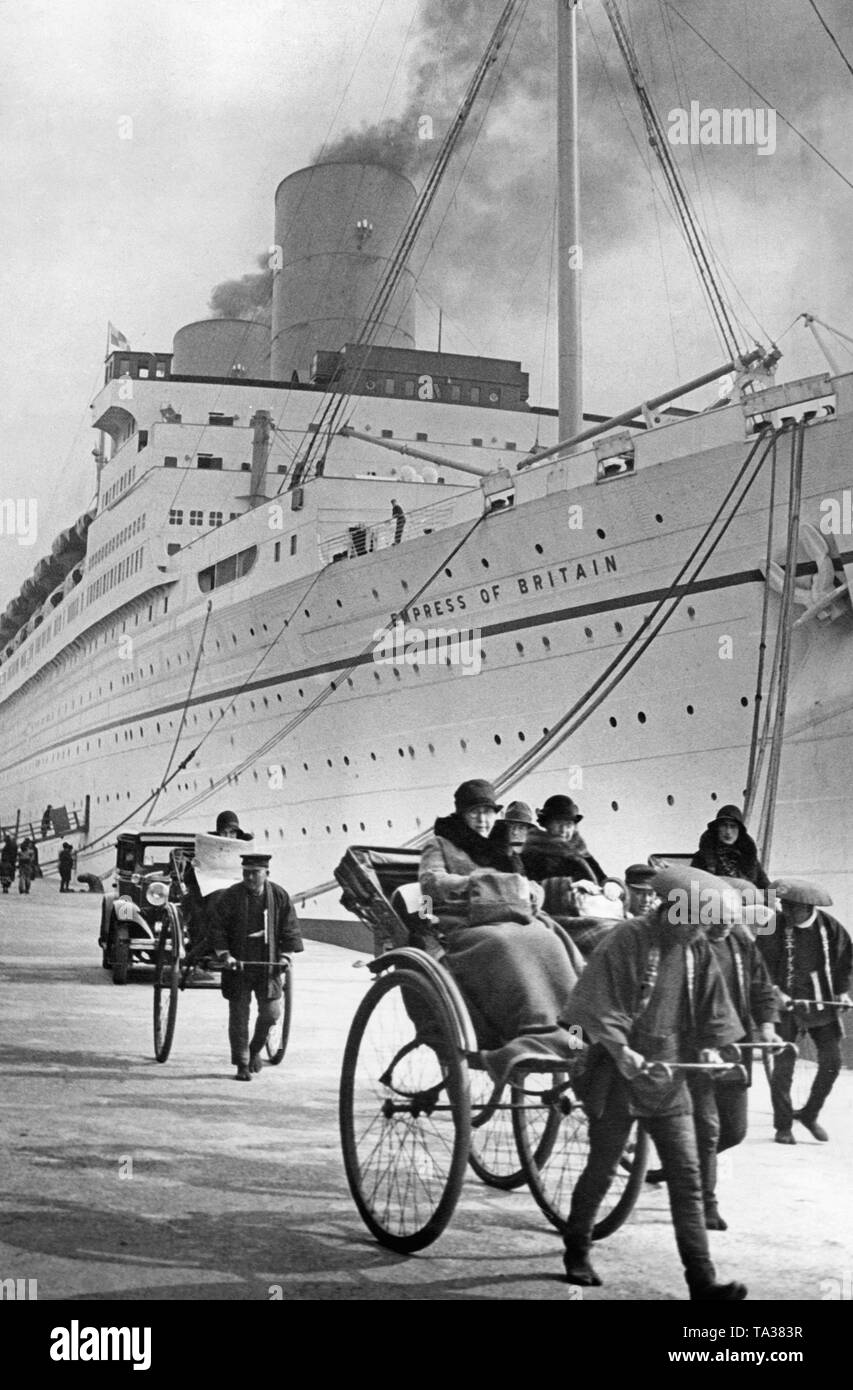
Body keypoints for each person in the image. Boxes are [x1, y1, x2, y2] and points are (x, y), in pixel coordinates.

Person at [561, 864, 747, 1301]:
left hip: (669, 1075)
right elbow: (592, 1005)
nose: (700, 929)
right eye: (696, 920)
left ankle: (702, 1282)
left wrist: (714, 1047)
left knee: (687, 1177)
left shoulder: (696, 950)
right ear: (673, 911)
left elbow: (711, 1011)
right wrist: (621, 1049)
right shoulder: (628, 938)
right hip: (618, 1071)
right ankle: (577, 1250)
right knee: (603, 1169)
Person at [419, 779, 582, 1086]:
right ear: (461, 814)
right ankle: (529, 1032)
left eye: (488, 813)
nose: (483, 820)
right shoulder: (440, 844)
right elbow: (430, 884)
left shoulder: (501, 845)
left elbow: (525, 883)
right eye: (475, 813)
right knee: (504, 944)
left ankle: (568, 1032)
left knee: (548, 939)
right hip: (465, 925)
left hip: (509, 917)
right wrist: (480, 883)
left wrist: (528, 890)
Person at [646, 890, 781, 1229]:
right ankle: (705, 1202)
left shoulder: (740, 943)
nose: (725, 925)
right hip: (693, 1049)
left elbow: (762, 986)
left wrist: (766, 1027)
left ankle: (678, 1162)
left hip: (731, 1048)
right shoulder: (682, 945)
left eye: (732, 918)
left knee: (734, 1131)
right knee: (707, 1129)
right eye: (717, 919)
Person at [757, 877, 852, 1144]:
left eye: (792, 908)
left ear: (809, 907)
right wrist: (776, 993)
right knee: (783, 1067)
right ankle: (783, 1125)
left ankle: (810, 1113)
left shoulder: (830, 928)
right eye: (783, 905)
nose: (785, 912)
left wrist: (842, 992)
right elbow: (760, 965)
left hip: (821, 1002)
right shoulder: (773, 925)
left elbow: (845, 962)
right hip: (785, 1003)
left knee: (832, 1062)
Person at [209, 852, 303, 1081]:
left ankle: (254, 1050)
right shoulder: (231, 896)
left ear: (267, 873)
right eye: (246, 873)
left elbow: (290, 929)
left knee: (272, 1013)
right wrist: (225, 955)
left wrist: (286, 956)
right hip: (238, 965)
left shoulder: (279, 896)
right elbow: (218, 928)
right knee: (239, 1016)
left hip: (267, 965)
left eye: (255, 873)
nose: (250, 878)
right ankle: (241, 1063)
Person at [522, 795, 608, 886]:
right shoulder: (534, 853)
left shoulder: (581, 851)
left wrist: (613, 885)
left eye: (568, 825)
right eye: (558, 823)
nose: (563, 830)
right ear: (547, 825)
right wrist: (571, 886)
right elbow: (532, 888)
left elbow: (602, 879)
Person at [691, 805, 769, 889]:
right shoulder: (702, 857)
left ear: (739, 831)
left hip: (746, 901)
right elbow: (693, 887)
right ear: (717, 828)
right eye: (724, 826)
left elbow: (767, 886)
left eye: (733, 826)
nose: (728, 832)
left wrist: (779, 893)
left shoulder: (749, 859)